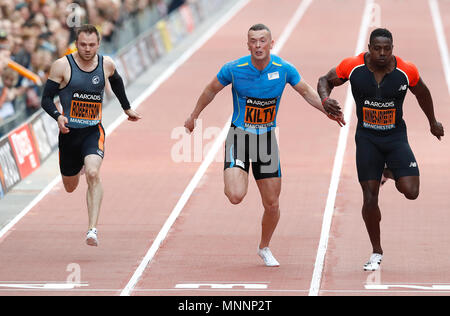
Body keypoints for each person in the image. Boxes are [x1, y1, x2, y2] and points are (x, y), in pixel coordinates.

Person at [184, 24, 345, 267]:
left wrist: (327, 110)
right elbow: (211, 89)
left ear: (271, 44)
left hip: (266, 140)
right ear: (247, 45)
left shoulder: (283, 69)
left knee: (272, 204)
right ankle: (237, 171)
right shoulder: (234, 69)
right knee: (235, 195)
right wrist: (194, 115)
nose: (258, 45)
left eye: (262, 41)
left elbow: (306, 91)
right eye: (253, 41)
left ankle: (264, 247)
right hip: (239, 136)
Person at [317, 28, 444, 271]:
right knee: (369, 197)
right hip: (367, 139)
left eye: (387, 48)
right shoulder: (352, 66)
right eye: (377, 48)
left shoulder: (406, 70)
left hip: (396, 137)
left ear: (393, 48)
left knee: (411, 191)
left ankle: (388, 172)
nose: (382, 53)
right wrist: (325, 100)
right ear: (369, 47)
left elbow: (423, 93)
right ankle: (376, 250)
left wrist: (433, 122)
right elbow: (325, 80)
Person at [41, 24, 142, 246]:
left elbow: (116, 81)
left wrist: (126, 108)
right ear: (76, 44)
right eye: (83, 45)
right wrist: (58, 116)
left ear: (98, 44)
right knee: (70, 187)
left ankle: (92, 229)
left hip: (92, 131)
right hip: (69, 135)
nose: (87, 49)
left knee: (94, 173)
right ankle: (77, 168)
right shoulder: (62, 66)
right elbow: (46, 99)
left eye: (92, 45)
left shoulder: (106, 64)